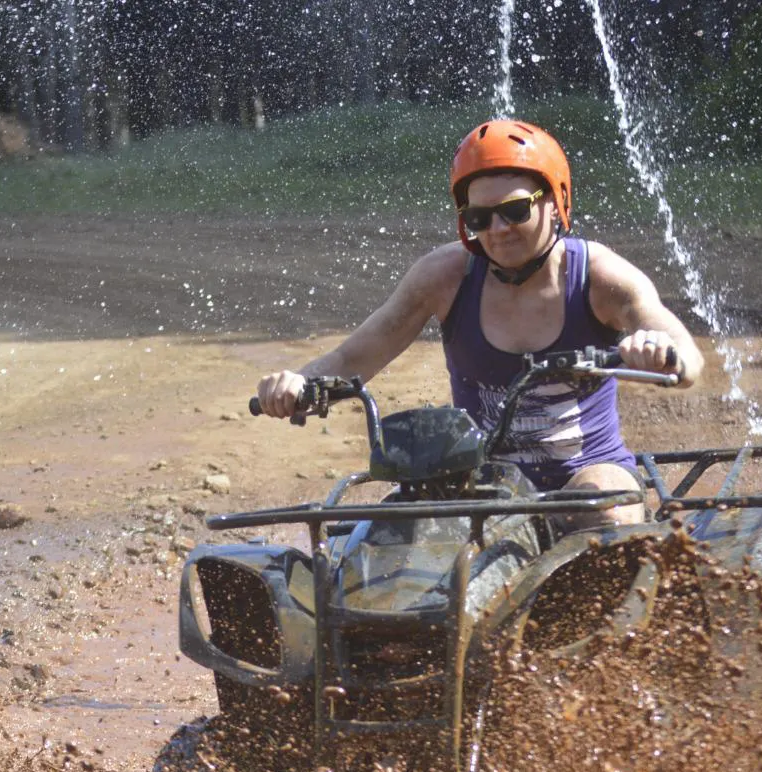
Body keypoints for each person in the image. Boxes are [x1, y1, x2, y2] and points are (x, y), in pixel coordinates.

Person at [254, 119, 703, 524]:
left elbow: (688, 358)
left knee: (603, 510)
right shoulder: (444, 277)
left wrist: (661, 354)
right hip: (479, 483)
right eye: (478, 218)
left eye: (514, 210)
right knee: (393, 545)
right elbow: (356, 356)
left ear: (554, 202)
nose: (498, 229)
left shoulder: (599, 278)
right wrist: (298, 383)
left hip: (587, 473)